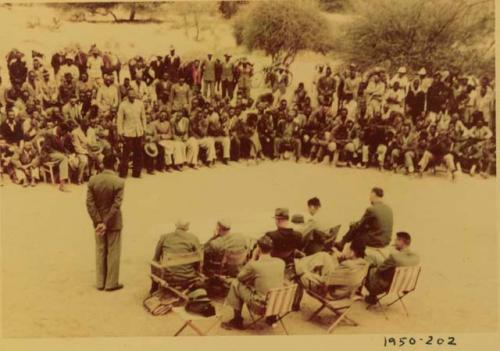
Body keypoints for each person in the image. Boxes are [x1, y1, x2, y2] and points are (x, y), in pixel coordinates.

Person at [221, 235, 285, 330]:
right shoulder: (281, 262)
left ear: (258, 248)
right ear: (271, 249)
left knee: (235, 283)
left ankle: (237, 320)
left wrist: (253, 257)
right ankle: (271, 318)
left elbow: (240, 277)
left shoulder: (254, 265)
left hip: (261, 306)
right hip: (278, 303)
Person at [86, 154, 125, 291]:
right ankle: (111, 283)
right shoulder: (119, 182)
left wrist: (99, 222)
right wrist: (106, 222)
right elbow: (116, 205)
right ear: (114, 164)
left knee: (100, 250)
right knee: (113, 251)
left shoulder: (93, 180)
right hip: (113, 221)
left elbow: (90, 204)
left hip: (97, 223)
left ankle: (100, 282)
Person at [336, 187, 393, 266]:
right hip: (385, 241)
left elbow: (359, 225)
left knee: (354, 228)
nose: (369, 199)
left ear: (374, 195)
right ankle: (343, 244)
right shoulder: (388, 209)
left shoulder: (372, 209)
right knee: (356, 227)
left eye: (370, 196)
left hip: (375, 242)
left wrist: (353, 225)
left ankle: (342, 244)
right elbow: (376, 224)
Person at [296, 238, 369, 299]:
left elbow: (325, 281)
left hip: (330, 293)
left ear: (352, 253)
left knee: (302, 275)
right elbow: (340, 276)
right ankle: (300, 264)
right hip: (343, 291)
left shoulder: (347, 266)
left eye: (347, 249)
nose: (345, 250)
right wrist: (339, 256)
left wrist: (309, 274)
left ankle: (297, 266)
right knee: (324, 256)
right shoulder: (363, 264)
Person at [365, 232, 420, 304]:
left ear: (401, 242)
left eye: (396, 240)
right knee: (374, 258)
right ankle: (370, 297)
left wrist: (372, 267)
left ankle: (361, 293)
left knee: (365, 267)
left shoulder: (394, 256)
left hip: (383, 285)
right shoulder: (416, 258)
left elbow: (379, 269)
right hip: (400, 284)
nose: (394, 242)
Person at [152, 220, 202, 287]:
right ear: (187, 226)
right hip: (189, 278)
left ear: (176, 224)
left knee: (153, 262)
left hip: (169, 279)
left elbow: (156, 258)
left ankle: (154, 287)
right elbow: (198, 259)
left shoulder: (164, 237)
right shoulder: (194, 238)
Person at [116, 89, 146, 178]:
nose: (132, 97)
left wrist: (144, 130)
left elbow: (143, 117)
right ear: (127, 96)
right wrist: (120, 132)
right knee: (126, 154)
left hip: (138, 132)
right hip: (127, 132)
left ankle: (136, 173)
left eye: (134, 96)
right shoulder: (123, 105)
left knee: (138, 153)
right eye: (130, 96)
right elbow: (120, 119)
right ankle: (123, 173)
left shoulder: (140, 104)